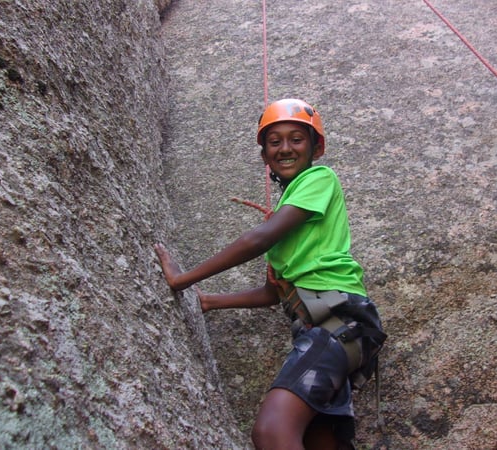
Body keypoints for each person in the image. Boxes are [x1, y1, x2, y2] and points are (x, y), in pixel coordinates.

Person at [154, 98, 385, 450]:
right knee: (313, 440)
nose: (285, 148)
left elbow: (257, 240)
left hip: (337, 323)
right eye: (274, 142)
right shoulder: (289, 221)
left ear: (316, 148)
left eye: (296, 138)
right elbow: (272, 293)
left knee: (272, 431)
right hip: (335, 332)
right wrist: (208, 301)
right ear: (265, 156)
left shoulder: (319, 178)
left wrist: (183, 279)